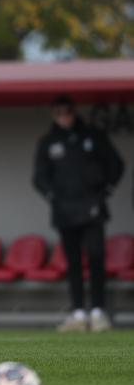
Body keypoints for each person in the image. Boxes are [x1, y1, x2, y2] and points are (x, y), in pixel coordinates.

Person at [33, 94, 124, 333]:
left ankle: (98, 311)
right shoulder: (48, 142)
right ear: (54, 114)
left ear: (74, 111)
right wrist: (53, 196)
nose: (64, 117)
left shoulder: (92, 136)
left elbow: (116, 164)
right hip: (65, 211)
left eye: (68, 111)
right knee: (73, 263)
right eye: (59, 113)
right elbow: (39, 177)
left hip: (92, 209)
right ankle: (77, 312)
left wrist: (106, 190)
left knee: (96, 257)